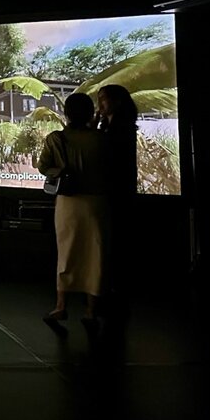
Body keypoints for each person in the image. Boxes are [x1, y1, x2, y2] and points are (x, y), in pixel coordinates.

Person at [37, 92, 111, 339]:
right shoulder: (102, 139)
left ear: (66, 113)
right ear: (90, 113)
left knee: (66, 253)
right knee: (95, 256)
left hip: (68, 203)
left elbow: (43, 166)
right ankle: (91, 310)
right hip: (97, 203)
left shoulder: (56, 138)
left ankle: (61, 306)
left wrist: (61, 170)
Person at [95, 82, 139, 321]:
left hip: (117, 193)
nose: (100, 104)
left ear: (117, 102)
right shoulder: (112, 127)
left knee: (116, 242)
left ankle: (115, 292)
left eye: (103, 98)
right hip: (113, 192)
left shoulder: (120, 129)